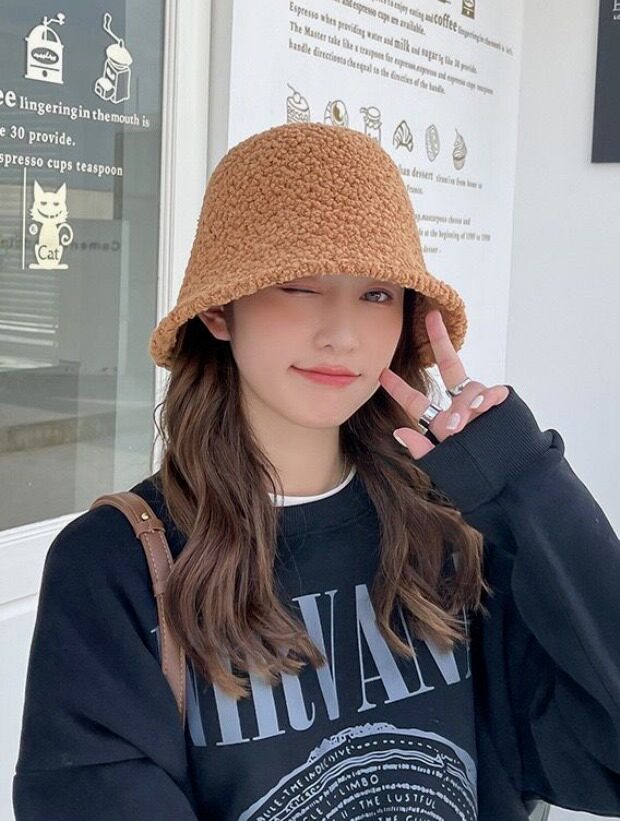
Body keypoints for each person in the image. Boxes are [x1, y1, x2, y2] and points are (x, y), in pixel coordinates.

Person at [12, 122, 620, 821]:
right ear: (220, 311)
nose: (342, 334)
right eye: (300, 286)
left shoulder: (451, 530)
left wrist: (524, 483)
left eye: (376, 295)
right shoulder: (115, 565)